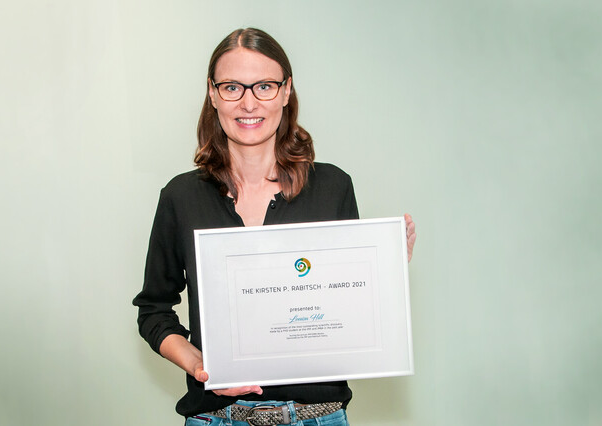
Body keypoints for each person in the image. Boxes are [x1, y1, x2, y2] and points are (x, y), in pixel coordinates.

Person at [133, 27, 417, 425]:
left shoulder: (333, 187)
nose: (249, 103)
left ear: (286, 91)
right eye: (232, 87)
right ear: (213, 94)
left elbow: (344, 311)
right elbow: (154, 310)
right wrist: (199, 366)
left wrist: (383, 272)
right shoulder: (181, 197)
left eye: (264, 86)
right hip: (214, 418)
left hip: (316, 417)